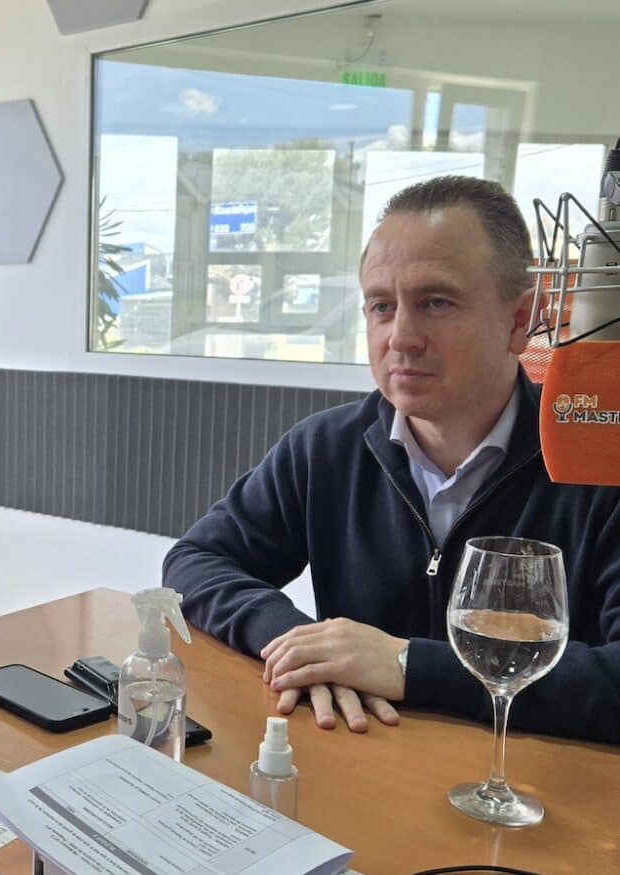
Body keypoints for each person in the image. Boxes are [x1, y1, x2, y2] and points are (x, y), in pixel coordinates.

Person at [165, 175, 620, 745]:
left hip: (538, 783)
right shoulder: (325, 448)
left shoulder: (598, 464)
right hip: (366, 764)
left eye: (436, 302)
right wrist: (294, 641)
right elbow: (196, 560)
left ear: (520, 320)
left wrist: (408, 665)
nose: (400, 337)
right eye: (382, 306)